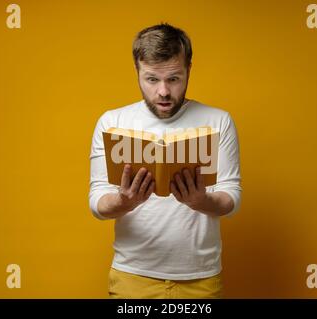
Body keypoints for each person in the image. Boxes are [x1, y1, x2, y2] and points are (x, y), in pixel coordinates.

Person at [89, 23, 242, 299]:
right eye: (151, 79)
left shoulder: (218, 121)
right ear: (137, 71)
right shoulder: (112, 123)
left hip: (201, 279)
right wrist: (125, 202)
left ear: (188, 70)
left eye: (173, 79)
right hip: (132, 277)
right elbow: (97, 201)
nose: (163, 92)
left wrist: (201, 202)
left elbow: (232, 196)